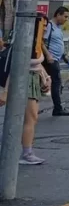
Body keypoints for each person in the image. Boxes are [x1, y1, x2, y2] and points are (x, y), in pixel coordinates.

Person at [0, 33, 47, 164]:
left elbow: (37, 63)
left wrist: (45, 77)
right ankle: (26, 153)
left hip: (32, 79)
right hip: (24, 79)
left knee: (29, 117)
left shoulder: (34, 41)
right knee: (29, 117)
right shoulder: (25, 39)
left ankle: (24, 151)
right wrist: (5, 91)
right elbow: (14, 66)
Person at [41, 7, 69, 117]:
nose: (66, 19)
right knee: (56, 83)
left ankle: (57, 107)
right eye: (65, 16)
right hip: (51, 59)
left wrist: (64, 56)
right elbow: (42, 41)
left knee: (54, 82)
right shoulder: (49, 26)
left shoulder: (57, 28)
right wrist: (48, 54)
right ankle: (58, 108)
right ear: (58, 14)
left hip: (56, 58)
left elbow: (57, 43)